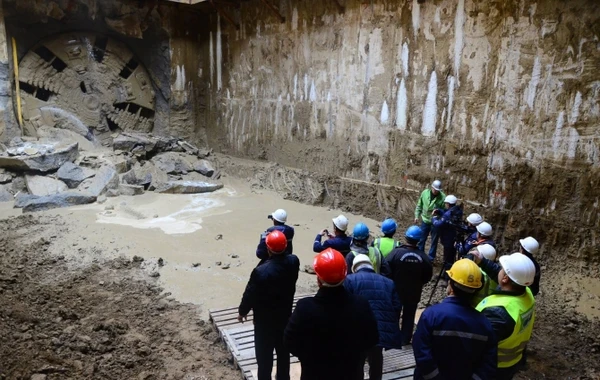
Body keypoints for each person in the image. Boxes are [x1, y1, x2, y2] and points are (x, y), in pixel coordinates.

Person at [284, 248, 379, 380]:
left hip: (314, 373)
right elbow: (372, 339)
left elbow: (289, 342)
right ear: (345, 275)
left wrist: (308, 357)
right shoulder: (361, 305)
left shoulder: (305, 308)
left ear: (318, 279)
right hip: (351, 373)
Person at [413, 259, 497, 380]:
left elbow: (421, 353)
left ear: (450, 285)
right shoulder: (485, 324)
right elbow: (488, 364)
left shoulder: (431, 315)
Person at [238, 230, 300, 380]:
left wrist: (242, 311)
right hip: (285, 317)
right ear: (286, 246)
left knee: (265, 359)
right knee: (283, 354)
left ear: (268, 248)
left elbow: (250, 294)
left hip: (264, 322)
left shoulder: (261, 272)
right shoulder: (293, 262)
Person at [473, 252, 537, 380]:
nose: (499, 270)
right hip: (512, 361)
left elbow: (476, 345)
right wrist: (483, 261)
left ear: (506, 279)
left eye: (502, 269)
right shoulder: (526, 293)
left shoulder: (499, 312)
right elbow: (502, 276)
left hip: (494, 367)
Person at [344, 254, 402, 380]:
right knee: (376, 359)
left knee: (357, 360)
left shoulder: (349, 280)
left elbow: (344, 305)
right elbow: (397, 306)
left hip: (358, 330)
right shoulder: (389, 282)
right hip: (379, 329)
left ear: (355, 267)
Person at [385, 225, 433, 345]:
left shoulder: (395, 253)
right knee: (409, 316)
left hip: (396, 290)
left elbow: (386, 270)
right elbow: (428, 276)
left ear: (406, 237)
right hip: (414, 292)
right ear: (419, 240)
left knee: (394, 314)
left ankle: (393, 338)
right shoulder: (423, 258)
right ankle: (405, 339)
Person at [414, 180, 446, 261]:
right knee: (421, 239)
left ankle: (431, 258)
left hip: (435, 222)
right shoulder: (425, 193)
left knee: (434, 241)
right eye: (434, 189)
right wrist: (416, 216)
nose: (436, 191)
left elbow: (444, 211)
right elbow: (419, 205)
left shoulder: (443, 198)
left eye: (437, 190)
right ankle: (420, 256)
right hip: (425, 220)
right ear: (431, 187)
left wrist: (438, 212)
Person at [431, 195, 463, 276]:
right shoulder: (458, 210)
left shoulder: (448, 214)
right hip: (454, 236)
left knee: (447, 257)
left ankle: (446, 275)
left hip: (447, 238)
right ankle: (449, 272)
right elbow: (448, 213)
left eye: (446, 203)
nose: (445, 205)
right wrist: (439, 211)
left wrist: (434, 218)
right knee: (452, 255)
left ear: (448, 204)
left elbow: (438, 224)